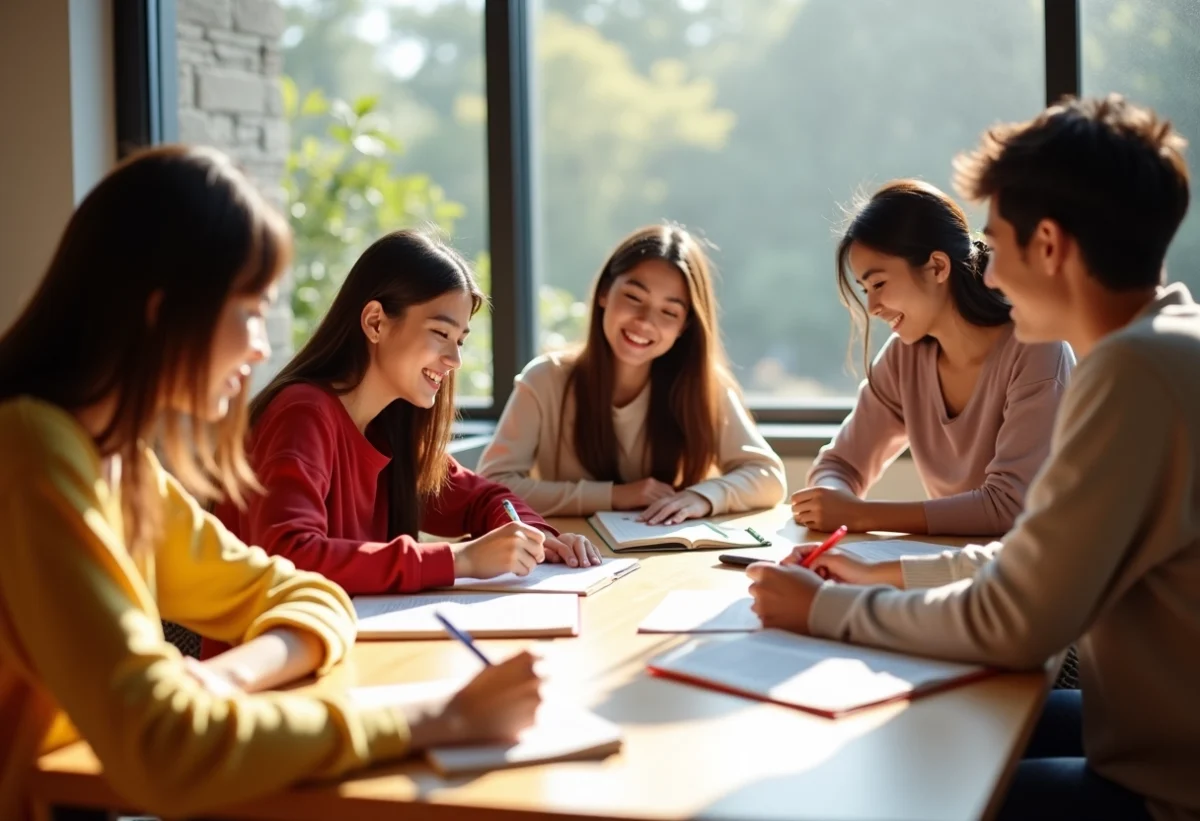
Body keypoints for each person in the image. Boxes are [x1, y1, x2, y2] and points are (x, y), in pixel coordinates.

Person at [0, 147, 542, 820]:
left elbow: (303, 591)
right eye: (249, 310)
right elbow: (163, 745)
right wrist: (432, 717)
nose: (261, 345)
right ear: (161, 312)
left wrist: (223, 678)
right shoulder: (34, 455)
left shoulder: (121, 460)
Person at [748, 95, 1199, 821]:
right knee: (917, 735)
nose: (986, 274)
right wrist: (877, 571)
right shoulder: (1164, 343)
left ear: (1048, 245)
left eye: (997, 243)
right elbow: (1031, 557)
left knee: (891, 793)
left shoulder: (1134, 373)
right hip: (1144, 730)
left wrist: (828, 607)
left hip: (1168, 785)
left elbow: (1016, 620)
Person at [212, 230, 600, 618]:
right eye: (440, 333)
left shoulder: (388, 426)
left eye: (460, 340)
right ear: (376, 322)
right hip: (271, 663)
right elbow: (291, 554)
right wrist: (459, 559)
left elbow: (483, 498)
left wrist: (537, 538)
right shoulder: (303, 413)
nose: (454, 359)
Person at [792, 179, 1073, 537]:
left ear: (938, 267)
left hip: (1033, 577)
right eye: (865, 290)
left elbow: (1008, 506)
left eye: (878, 284)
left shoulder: (1037, 349)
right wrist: (832, 499)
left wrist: (860, 516)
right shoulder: (903, 357)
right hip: (947, 568)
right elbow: (840, 464)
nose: (873, 307)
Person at [478, 223, 786, 524]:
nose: (645, 322)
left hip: (669, 559)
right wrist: (616, 496)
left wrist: (703, 497)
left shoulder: (704, 386)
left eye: (669, 312)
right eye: (634, 298)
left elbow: (769, 477)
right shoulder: (545, 380)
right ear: (604, 293)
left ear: (684, 327)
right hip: (571, 557)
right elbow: (494, 486)